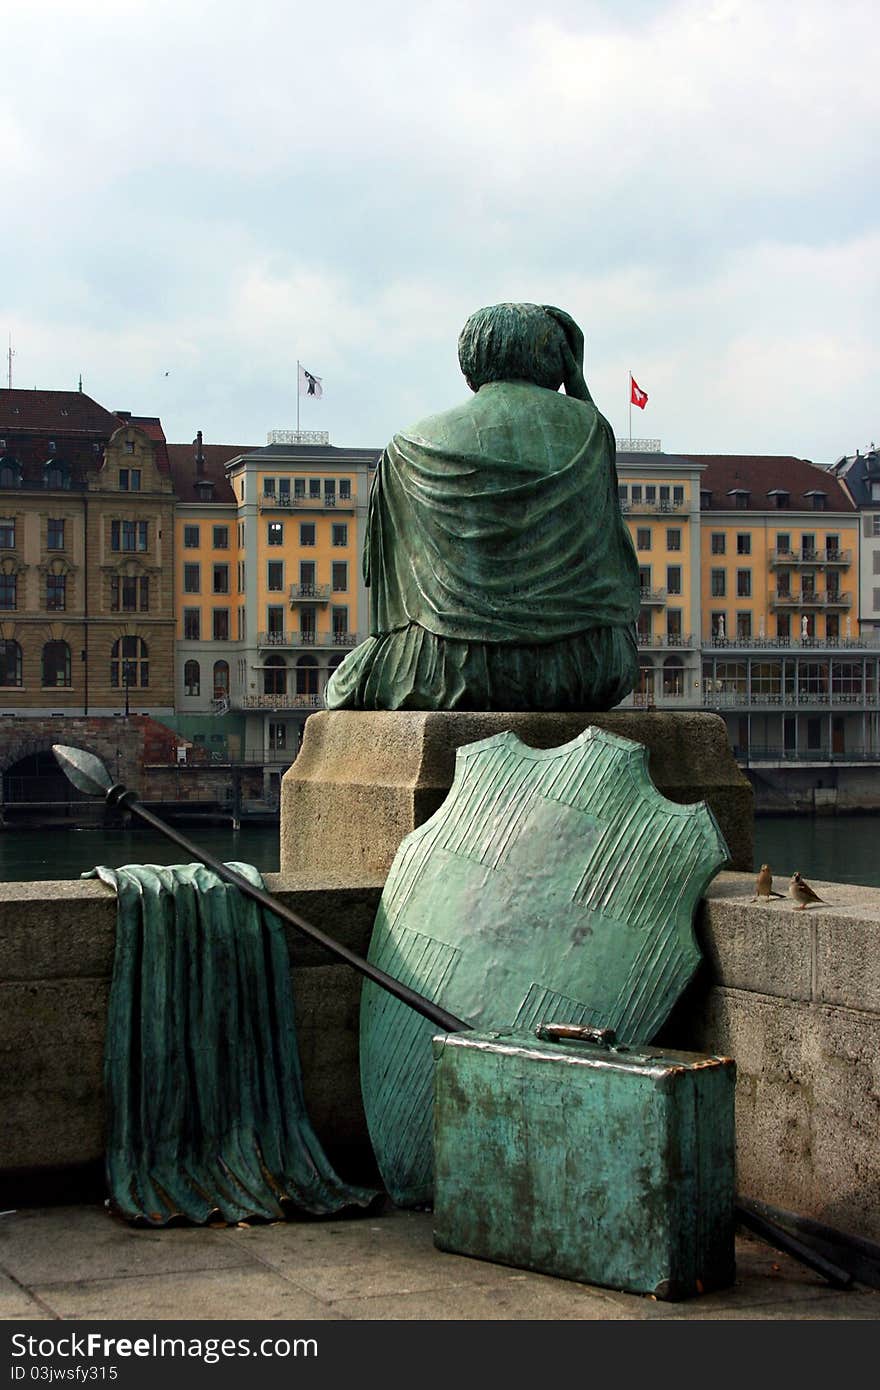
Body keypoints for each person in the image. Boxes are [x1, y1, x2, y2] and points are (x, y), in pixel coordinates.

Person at [325, 302, 640, 711]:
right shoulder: (593, 433)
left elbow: (390, 614)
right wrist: (577, 383)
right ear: (556, 360)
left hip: (449, 669)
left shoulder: (407, 449)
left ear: (470, 359)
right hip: (585, 670)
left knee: (344, 684)